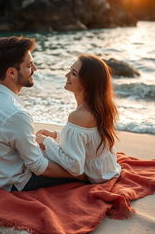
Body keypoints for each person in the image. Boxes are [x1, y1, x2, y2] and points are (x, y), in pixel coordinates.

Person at [0, 36, 85, 192]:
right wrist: (79, 175)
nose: (35, 69)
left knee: (59, 152)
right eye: (29, 65)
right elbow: (39, 167)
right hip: (12, 183)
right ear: (11, 73)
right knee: (84, 169)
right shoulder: (16, 114)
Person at [36, 55, 121, 183]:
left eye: (73, 73)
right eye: (70, 70)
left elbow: (74, 167)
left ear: (87, 82)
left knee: (34, 157)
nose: (66, 75)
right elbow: (88, 142)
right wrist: (56, 136)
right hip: (106, 171)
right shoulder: (100, 107)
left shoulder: (79, 115)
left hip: (93, 176)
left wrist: (47, 141)